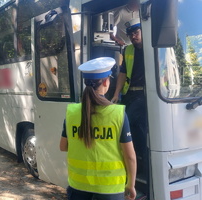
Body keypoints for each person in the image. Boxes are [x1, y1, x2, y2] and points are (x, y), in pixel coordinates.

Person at [59, 57, 137, 200]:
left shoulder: (71, 112)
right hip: (110, 189)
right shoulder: (117, 113)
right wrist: (130, 185)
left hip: (78, 187)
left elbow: (63, 146)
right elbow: (130, 156)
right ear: (107, 82)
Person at [111, 18, 148, 197]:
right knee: (133, 130)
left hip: (146, 95)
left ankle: (139, 166)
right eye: (131, 34)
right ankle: (137, 166)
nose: (133, 36)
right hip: (131, 94)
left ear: (143, 31)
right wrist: (117, 93)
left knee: (130, 129)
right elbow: (123, 73)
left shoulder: (153, 47)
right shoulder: (128, 50)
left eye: (136, 32)